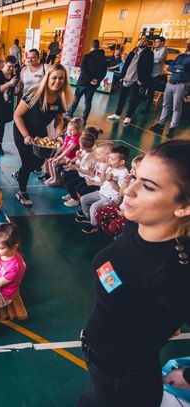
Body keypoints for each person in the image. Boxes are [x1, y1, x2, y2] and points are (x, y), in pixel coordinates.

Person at [77, 139, 190, 407]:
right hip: (101, 362)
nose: (128, 190)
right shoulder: (136, 224)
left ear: (184, 206)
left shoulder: (171, 272)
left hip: (122, 383)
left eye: (148, 186)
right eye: (135, 177)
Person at [13, 63, 73, 207]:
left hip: (40, 132)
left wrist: (59, 134)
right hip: (23, 130)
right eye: (54, 78)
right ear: (47, 77)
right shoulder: (34, 94)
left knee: (39, 162)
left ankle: (20, 174)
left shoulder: (61, 98)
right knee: (27, 163)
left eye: (61, 78)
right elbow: (17, 115)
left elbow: (58, 119)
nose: (57, 81)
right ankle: (21, 192)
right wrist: (26, 136)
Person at [76, 145, 130, 234]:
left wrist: (112, 181)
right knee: (83, 199)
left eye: (112, 159)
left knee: (93, 207)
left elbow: (120, 191)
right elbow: (102, 181)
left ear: (121, 162)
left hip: (109, 198)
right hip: (101, 192)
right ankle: (88, 217)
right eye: (110, 158)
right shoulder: (112, 167)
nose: (109, 161)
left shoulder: (124, 173)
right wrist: (104, 170)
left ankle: (94, 225)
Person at [107, 36, 153, 125]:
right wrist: (122, 76)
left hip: (137, 80)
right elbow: (126, 64)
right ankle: (117, 114)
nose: (141, 42)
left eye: (144, 41)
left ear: (146, 43)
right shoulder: (133, 52)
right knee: (122, 97)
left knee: (133, 99)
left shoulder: (149, 53)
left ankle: (128, 116)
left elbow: (148, 68)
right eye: (140, 40)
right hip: (127, 78)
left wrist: (142, 80)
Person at [95, 155, 143, 238]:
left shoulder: (144, 188)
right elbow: (121, 194)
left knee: (114, 226)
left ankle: (118, 236)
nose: (130, 170)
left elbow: (140, 208)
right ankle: (110, 234)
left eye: (134, 169)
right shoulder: (132, 180)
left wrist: (125, 213)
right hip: (122, 208)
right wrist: (126, 183)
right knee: (99, 214)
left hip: (131, 215)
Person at [150, 37, 190, 137]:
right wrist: (177, 69)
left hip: (181, 84)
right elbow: (170, 67)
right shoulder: (180, 56)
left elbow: (184, 67)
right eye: (186, 43)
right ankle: (161, 124)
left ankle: (172, 128)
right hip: (170, 83)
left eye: (189, 43)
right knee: (165, 105)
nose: (187, 45)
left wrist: (178, 67)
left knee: (176, 107)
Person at [66, 40, 107, 126]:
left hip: (83, 82)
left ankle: (69, 114)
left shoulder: (87, 56)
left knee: (76, 99)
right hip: (93, 85)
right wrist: (97, 80)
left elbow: (83, 70)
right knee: (88, 102)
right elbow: (104, 72)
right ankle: (84, 119)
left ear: (91, 46)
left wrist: (90, 80)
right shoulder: (103, 59)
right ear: (98, 46)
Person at [60, 131, 98, 207]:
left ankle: (75, 199)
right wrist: (79, 157)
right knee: (66, 177)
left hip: (86, 177)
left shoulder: (92, 157)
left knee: (70, 183)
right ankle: (72, 194)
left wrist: (76, 168)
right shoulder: (85, 151)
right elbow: (83, 163)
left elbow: (89, 172)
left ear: (82, 145)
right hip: (81, 172)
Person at [44, 117, 82, 186]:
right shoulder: (68, 137)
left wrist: (57, 159)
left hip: (71, 158)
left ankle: (57, 180)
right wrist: (54, 157)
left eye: (72, 130)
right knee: (50, 161)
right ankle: (52, 177)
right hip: (65, 156)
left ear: (77, 130)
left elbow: (67, 150)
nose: (69, 131)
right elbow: (62, 148)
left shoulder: (77, 139)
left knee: (54, 163)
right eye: (68, 129)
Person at [143, 37, 167, 111]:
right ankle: (142, 105)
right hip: (150, 72)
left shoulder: (164, 50)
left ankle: (147, 108)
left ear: (162, 42)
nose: (155, 43)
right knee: (145, 90)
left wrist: (149, 59)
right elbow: (153, 59)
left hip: (157, 74)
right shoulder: (154, 50)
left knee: (151, 91)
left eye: (157, 41)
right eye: (155, 41)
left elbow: (159, 60)